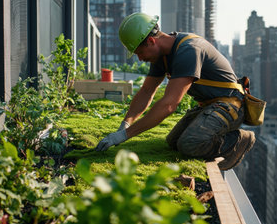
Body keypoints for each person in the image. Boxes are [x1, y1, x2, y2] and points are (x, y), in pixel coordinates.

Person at [95, 12, 255, 170]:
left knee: (190, 144)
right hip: (209, 105)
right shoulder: (161, 55)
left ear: (151, 41)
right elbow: (146, 92)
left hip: (230, 106)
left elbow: (169, 105)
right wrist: (126, 123)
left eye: (140, 53)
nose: (140, 59)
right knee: (173, 141)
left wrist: (125, 136)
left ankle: (239, 139)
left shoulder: (188, 50)